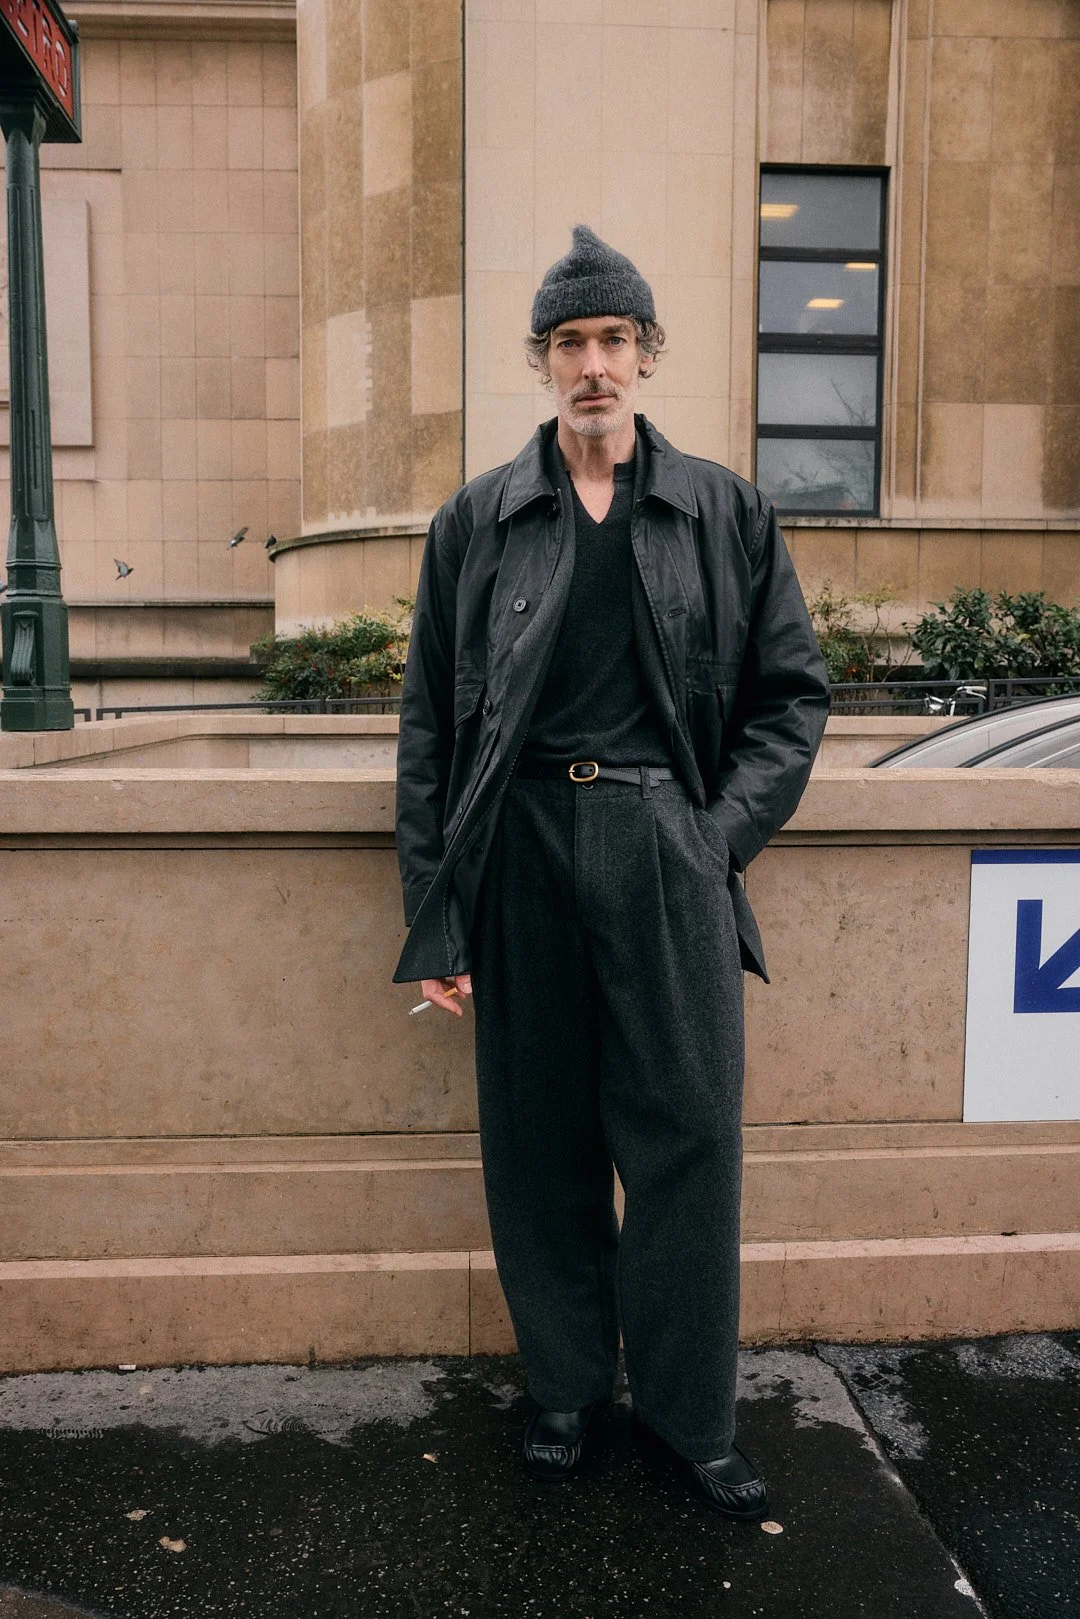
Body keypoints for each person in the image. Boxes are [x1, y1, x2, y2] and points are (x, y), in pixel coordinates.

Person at [392, 225, 830, 1520]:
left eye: (616, 340)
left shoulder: (723, 511)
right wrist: (439, 916)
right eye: (573, 342)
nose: (595, 364)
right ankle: (568, 1390)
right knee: (540, 1141)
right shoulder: (477, 520)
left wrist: (714, 838)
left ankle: (691, 1417)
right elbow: (428, 734)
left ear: (647, 355)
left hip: (662, 840)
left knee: (690, 1136)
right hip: (520, 843)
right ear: (543, 359)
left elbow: (793, 698)